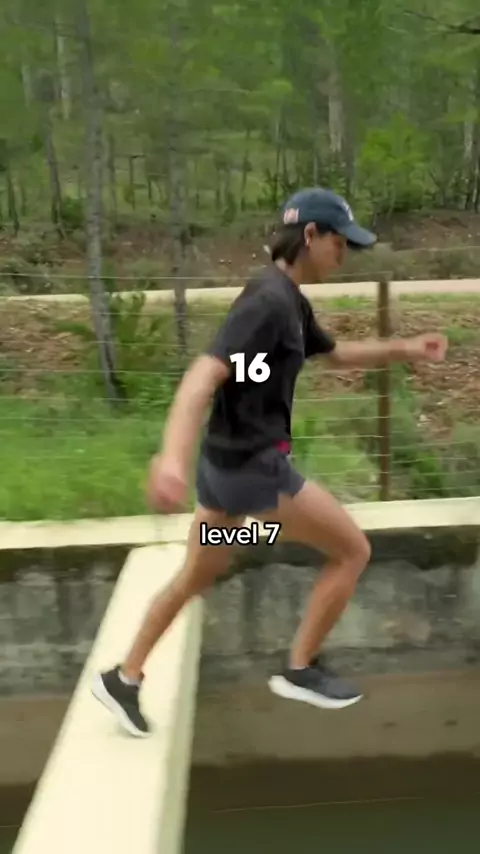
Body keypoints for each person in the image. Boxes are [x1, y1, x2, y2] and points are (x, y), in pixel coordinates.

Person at [92, 187, 448, 737]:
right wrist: (170, 459)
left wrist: (407, 349)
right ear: (310, 235)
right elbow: (202, 377)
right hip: (255, 474)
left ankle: (124, 677)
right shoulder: (267, 303)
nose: (344, 255)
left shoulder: (289, 301)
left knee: (199, 572)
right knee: (352, 551)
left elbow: (335, 356)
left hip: (224, 480)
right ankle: (299, 669)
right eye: (339, 243)